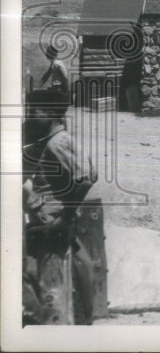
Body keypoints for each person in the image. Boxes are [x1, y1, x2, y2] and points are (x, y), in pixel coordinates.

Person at [22, 89, 97, 325]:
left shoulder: (57, 143)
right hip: (53, 217)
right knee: (79, 259)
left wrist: (66, 215)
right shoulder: (53, 141)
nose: (30, 116)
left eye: (34, 111)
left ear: (52, 114)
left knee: (47, 274)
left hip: (52, 219)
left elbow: (86, 177)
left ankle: (74, 320)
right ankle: (87, 317)